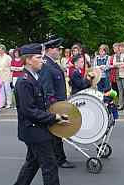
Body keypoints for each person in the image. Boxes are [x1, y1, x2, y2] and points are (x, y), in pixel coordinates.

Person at [7, 43, 73, 185]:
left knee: (32, 163)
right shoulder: (24, 82)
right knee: (50, 166)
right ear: (28, 60)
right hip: (34, 131)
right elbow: (29, 111)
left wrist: (55, 114)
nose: (42, 61)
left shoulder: (34, 77)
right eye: (38, 57)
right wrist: (54, 118)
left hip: (37, 129)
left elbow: (41, 104)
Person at [39, 38, 75, 169]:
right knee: (56, 133)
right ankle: (59, 159)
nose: (59, 51)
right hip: (54, 105)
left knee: (55, 133)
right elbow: (48, 90)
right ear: (49, 50)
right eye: (57, 49)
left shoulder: (52, 63)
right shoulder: (46, 65)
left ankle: (54, 158)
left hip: (59, 103)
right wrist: (54, 108)